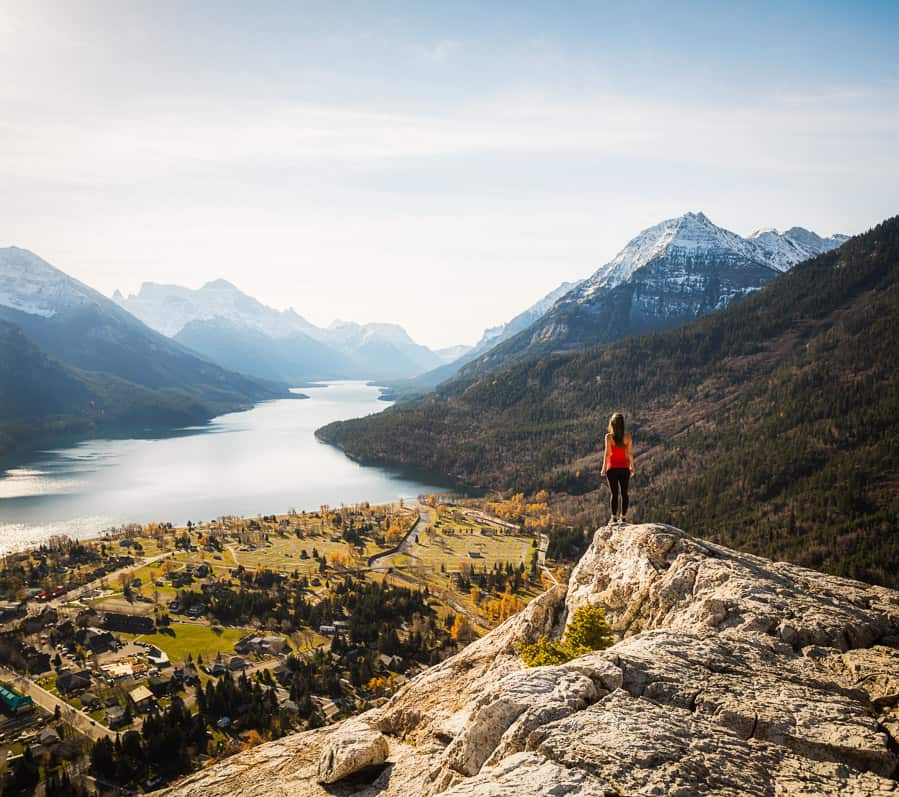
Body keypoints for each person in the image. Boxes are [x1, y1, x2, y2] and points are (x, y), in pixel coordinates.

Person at [600, 412, 635, 523]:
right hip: (624, 468)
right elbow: (629, 454)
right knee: (624, 493)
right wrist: (632, 467)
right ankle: (623, 517)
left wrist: (603, 468)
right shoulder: (628, 437)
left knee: (614, 494)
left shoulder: (609, 437)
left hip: (612, 469)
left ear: (612, 424)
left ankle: (614, 517)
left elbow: (607, 453)